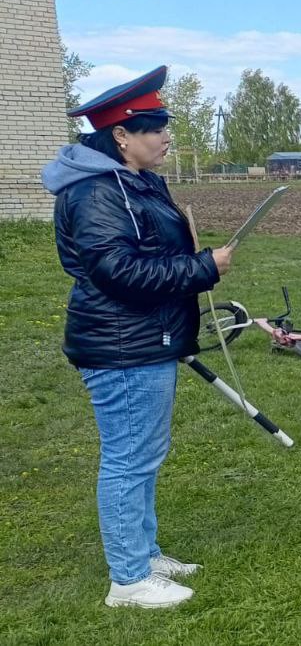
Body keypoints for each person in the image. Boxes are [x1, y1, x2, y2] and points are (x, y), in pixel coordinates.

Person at [41, 67, 234, 608]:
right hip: (121, 345)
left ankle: (144, 552)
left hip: (147, 337)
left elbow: (149, 253)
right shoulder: (97, 191)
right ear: (120, 135)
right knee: (128, 459)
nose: (166, 134)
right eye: (156, 126)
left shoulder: (135, 182)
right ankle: (128, 579)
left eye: (164, 123)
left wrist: (195, 260)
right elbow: (119, 272)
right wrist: (203, 268)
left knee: (144, 454)